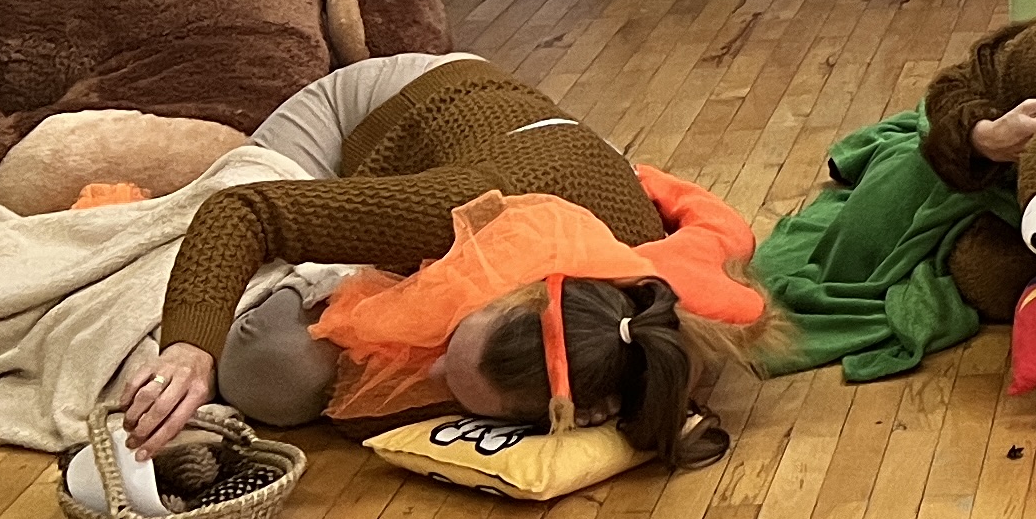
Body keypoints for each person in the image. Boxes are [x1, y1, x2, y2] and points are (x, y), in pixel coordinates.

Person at [110, 52, 753, 465]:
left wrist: (597, 405)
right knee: (267, 363)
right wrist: (188, 349)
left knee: (285, 373)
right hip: (371, 117)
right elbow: (243, 212)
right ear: (501, 291)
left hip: (526, 151)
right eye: (449, 343)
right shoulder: (457, 209)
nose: (431, 367)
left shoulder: (628, 329)